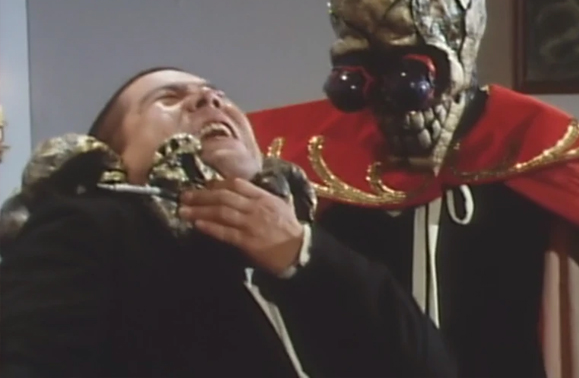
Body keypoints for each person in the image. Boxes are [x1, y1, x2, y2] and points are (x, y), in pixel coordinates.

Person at [247, 0, 579, 378]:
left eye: (411, 70)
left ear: (461, 46)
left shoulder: (533, 145)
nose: (388, 97)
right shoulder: (307, 156)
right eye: (358, 73)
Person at [0, 68, 457, 377]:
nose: (209, 97)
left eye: (217, 93)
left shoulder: (320, 241)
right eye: (168, 98)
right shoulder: (86, 228)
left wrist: (301, 255)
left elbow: (427, 368)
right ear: (114, 158)